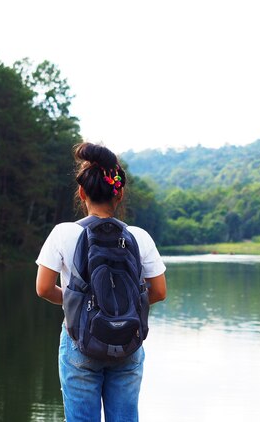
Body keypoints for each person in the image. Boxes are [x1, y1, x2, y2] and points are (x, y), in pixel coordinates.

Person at [36, 142, 167, 422]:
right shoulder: (138, 236)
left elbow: (43, 288)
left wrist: (78, 303)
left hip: (79, 338)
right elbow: (159, 291)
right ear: (118, 195)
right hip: (128, 340)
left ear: (81, 192)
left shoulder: (63, 233)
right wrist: (124, 306)